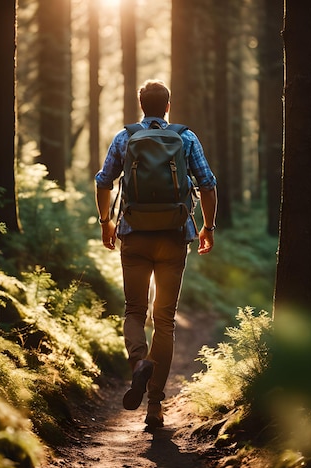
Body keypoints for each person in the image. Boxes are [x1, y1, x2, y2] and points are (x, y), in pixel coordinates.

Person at [94, 79, 218, 429]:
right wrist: (208, 227)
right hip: (175, 236)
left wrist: (105, 221)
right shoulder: (186, 137)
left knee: (134, 310)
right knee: (164, 320)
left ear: (140, 104)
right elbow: (207, 184)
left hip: (134, 235)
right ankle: (155, 407)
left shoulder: (125, 137)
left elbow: (104, 181)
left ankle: (138, 364)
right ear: (167, 106)